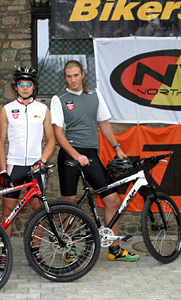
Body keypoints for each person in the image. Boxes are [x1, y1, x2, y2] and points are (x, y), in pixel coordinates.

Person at [50, 60, 140, 262]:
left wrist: (118, 148)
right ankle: (68, 247)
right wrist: (75, 155)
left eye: (76, 75)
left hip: (90, 154)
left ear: (83, 75)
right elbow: (58, 134)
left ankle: (114, 249)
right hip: (70, 155)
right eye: (68, 76)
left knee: (112, 200)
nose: (72, 80)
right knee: (69, 202)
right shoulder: (59, 99)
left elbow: (104, 124)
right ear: (65, 78)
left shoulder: (95, 96)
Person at [0, 66, 55, 271]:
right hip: (14, 166)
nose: (25, 87)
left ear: (34, 86)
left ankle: (36, 251)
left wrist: (42, 160)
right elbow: (0, 142)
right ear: (16, 86)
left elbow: (51, 140)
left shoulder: (43, 109)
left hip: (35, 167)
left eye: (29, 83)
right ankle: (4, 252)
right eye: (21, 84)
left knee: (37, 211)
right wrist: (3, 170)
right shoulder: (6, 110)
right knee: (8, 210)